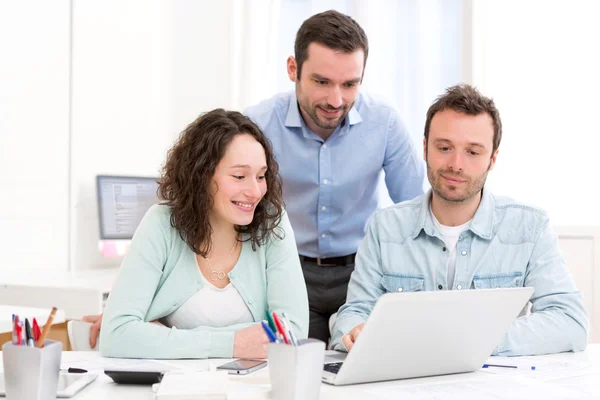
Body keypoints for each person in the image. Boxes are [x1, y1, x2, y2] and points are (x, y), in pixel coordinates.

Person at [331, 84, 588, 356]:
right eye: (444, 147)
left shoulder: (529, 227)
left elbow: (570, 322)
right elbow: (354, 313)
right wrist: (355, 331)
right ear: (425, 148)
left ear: (493, 159)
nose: (456, 164)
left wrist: (477, 339)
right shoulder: (385, 227)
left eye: (473, 152)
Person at [243, 10, 424, 343]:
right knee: (294, 375)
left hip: (362, 276)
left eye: (349, 84)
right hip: (285, 272)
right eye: (322, 82)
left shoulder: (383, 123)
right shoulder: (256, 125)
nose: (336, 100)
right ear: (293, 69)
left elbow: (414, 212)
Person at [98, 109, 308, 359]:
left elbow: (292, 331)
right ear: (201, 176)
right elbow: (117, 335)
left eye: (261, 176)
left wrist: (164, 336)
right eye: (239, 176)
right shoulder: (161, 224)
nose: (255, 191)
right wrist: (233, 343)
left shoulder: (273, 222)